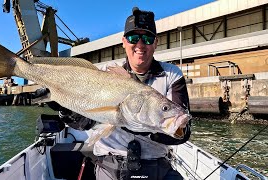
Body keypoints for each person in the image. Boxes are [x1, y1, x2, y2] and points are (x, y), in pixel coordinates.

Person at [55, 7, 191, 180]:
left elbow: (182, 133)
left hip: (156, 163)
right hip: (109, 162)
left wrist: (144, 127)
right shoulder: (104, 74)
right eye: (134, 38)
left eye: (148, 38)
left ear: (156, 43)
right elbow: (86, 123)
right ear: (124, 42)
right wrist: (63, 108)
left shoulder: (172, 74)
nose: (140, 45)